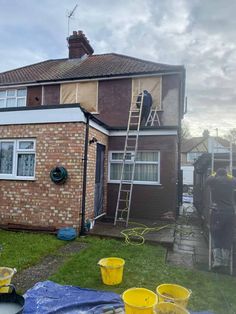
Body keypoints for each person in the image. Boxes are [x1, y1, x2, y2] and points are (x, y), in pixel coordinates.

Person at [206, 168, 236, 268]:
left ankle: (218, 261)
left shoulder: (214, 180)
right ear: (226, 174)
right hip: (230, 212)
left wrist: (214, 174)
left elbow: (208, 180)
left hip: (217, 212)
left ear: (217, 174)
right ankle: (225, 261)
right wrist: (230, 176)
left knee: (215, 233)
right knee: (228, 234)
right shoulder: (232, 181)